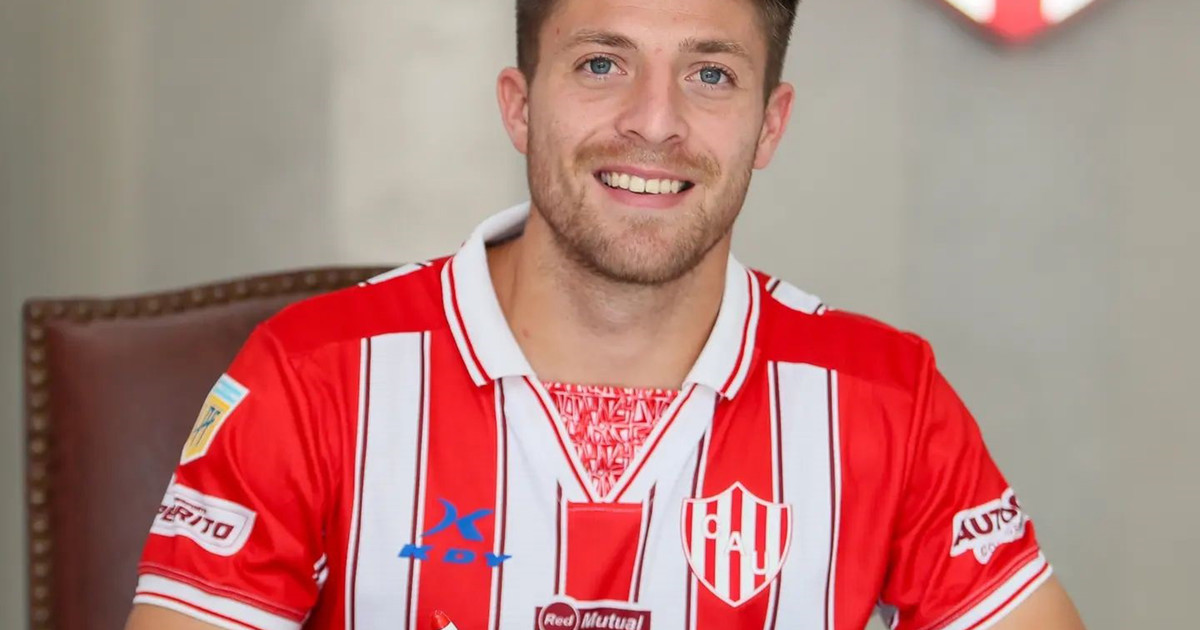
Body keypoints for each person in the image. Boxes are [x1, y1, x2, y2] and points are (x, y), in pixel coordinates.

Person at [125, 0, 1087, 628]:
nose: (655, 121)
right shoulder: (311, 373)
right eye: (600, 64)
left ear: (770, 124)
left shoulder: (884, 398)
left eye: (711, 75)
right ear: (519, 106)